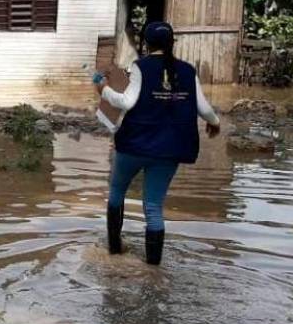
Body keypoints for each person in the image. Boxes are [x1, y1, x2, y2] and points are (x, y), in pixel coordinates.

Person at [94, 21, 220, 266]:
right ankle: (153, 269)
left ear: (146, 43)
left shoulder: (141, 67)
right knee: (153, 207)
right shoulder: (187, 70)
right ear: (172, 43)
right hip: (170, 150)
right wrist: (215, 123)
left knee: (117, 192)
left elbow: (126, 102)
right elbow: (204, 109)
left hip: (135, 145)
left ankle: (114, 250)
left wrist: (103, 89)